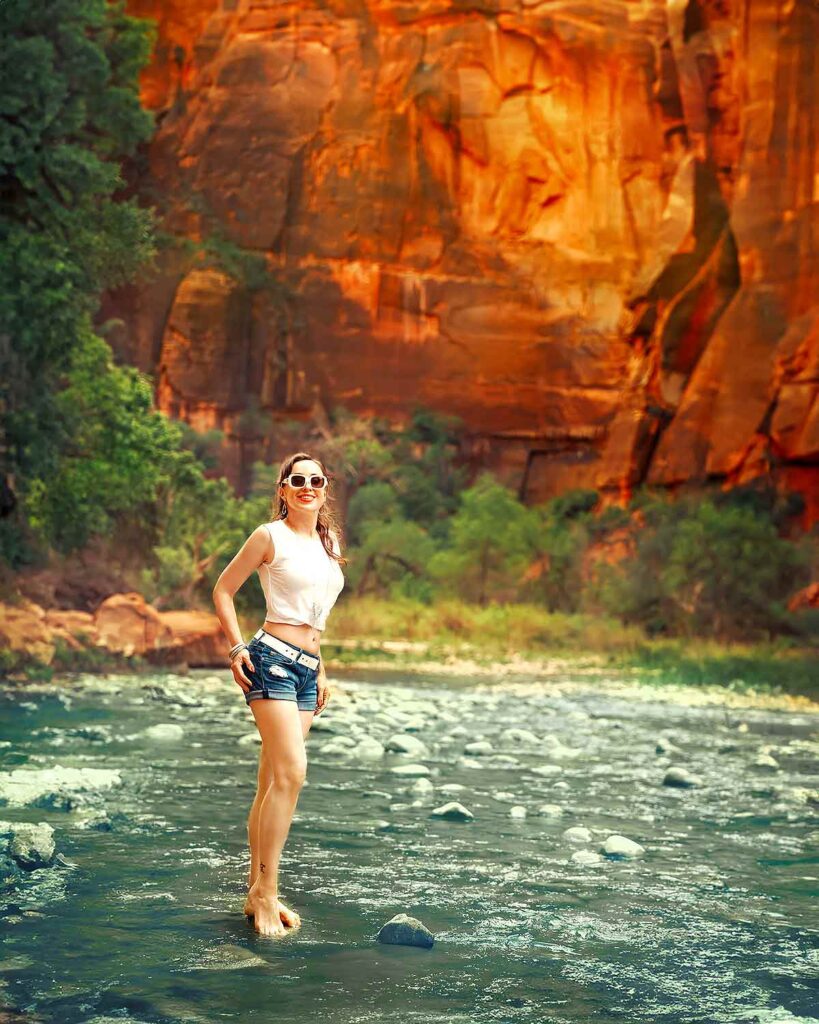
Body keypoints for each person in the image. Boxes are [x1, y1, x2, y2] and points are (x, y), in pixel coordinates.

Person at [212, 451, 346, 937]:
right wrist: (234, 648)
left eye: (316, 480)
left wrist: (322, 666)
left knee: (272, 780)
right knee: (292, 772)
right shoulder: (270, 536)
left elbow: (313, 614)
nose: (308, 486)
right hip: (270, 661)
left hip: (309, 671)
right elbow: (223, 590)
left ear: (325, 488)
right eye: (298, 480)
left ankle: (254, 890)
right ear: (284, 489)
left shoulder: (328, 542)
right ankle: (267, 894)